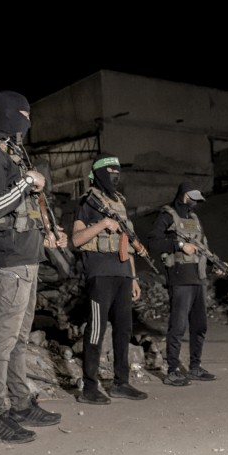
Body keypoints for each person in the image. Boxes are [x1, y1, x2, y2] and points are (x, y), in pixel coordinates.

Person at [0, 91, 67, 444]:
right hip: (9, 258)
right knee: (3, 339)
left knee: (19, 338)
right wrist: (27, 181)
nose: (27, 120)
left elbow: (24, 209)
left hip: (28, 254)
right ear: (8, 115)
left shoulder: (12, 151)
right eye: (23, 114)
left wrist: (50, 234)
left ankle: (21, 404)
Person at [72, 154, 148, 404]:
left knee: (124, 330)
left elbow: (126, 241)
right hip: (100, 273)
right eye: (110, 170)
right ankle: (90, 387)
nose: (115, 174)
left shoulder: (120, 203)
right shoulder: (89, 202)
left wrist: (134, 276)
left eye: (118, 170)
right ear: (99, 173)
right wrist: (103, 223)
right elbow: (76, 239)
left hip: (123, 274)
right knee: (96, 330)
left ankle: (121, 383)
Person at [148, 181, 218, 386]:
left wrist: (216, 264)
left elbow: (203, 247)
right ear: (186, 196)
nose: (196, 204)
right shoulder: (168, 215)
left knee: (200, 326)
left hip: (199, 278)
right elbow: (153, 242)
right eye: (194, 199)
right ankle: (172, 371)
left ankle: (195, 368)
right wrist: (179, 244)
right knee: (178, 326)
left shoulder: (194, 218)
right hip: (180, 278)